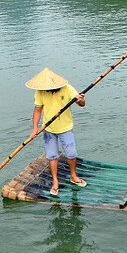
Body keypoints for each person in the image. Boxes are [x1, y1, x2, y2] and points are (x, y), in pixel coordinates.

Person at [27, 67, 87, 197]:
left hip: (65, 127)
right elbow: (37, 110)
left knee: (71, 154)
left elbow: (82, 104)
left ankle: (73, 176)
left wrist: (81, 100)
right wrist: (35, 128)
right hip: (48, 129)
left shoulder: (68, 88)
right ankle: (55, 182)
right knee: (52, 156)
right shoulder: (40, 92)